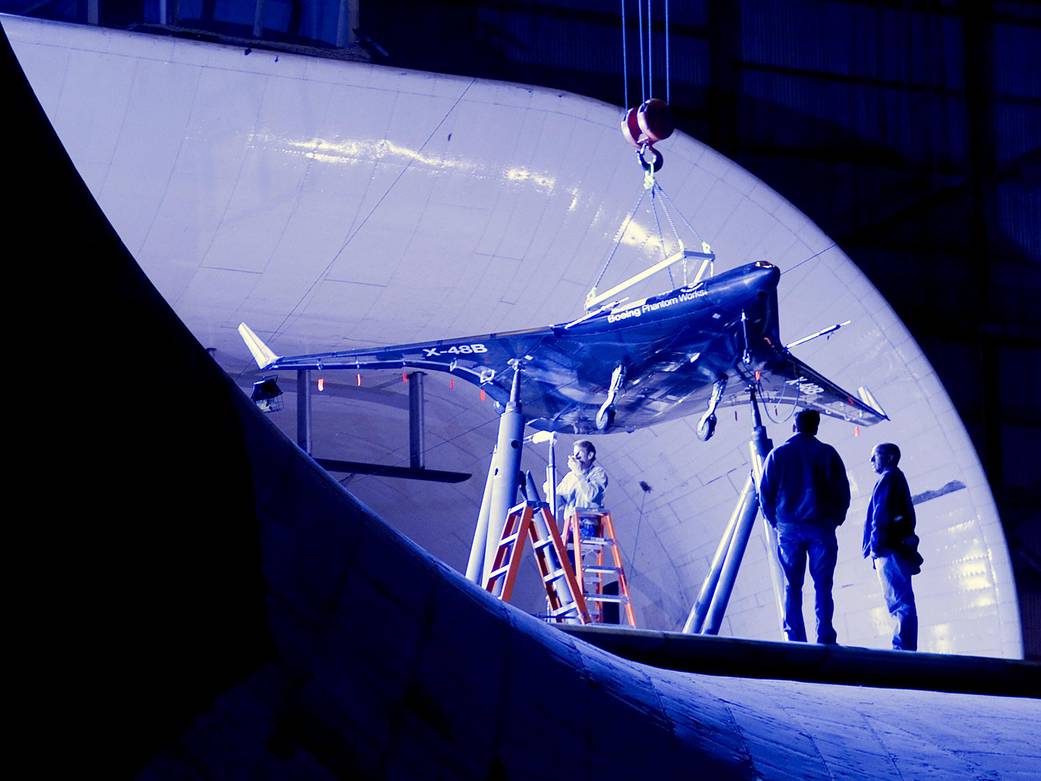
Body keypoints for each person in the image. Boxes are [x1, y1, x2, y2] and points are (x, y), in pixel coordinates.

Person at [759, 409, 850, 644]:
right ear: (816, 427)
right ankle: (825, 635)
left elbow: (765, 496)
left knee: (792, 585)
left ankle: (795, 637)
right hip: (821, 529)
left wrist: (777, 524)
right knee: (823, 585)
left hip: (789, 530)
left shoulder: (777, 455)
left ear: (793, 426)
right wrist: (834, 521)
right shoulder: (828, 454)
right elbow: (843, 494)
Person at [864, 442, 923, 651]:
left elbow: (880, 515)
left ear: (889, 457)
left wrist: (875, 546)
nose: (870, 460)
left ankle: (901, 649)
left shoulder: (888, 478)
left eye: (875, 455)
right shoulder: (897, 477)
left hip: (888, 549)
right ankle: (906, 646)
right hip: (897, 547)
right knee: (903, 599)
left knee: (898, 601)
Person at [551, 440, 608, 539]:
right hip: (569, 525)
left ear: (590, 455)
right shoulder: (571, 476)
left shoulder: (598, 473)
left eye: (579, 453)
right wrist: (550, 492)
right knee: (551, 549)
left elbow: (591, 495)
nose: (575, 457)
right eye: (574, 454)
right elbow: (558, 503)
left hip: (587, 524)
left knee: (566, 552)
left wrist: (579, 473)